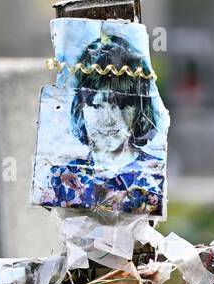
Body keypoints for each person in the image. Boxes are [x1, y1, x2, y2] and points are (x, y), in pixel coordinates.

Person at [48, 32, 164, 215]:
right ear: (81, 108)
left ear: (139, 110)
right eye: (96, 105)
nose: (108, 119)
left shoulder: (155, 177)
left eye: (121, 106)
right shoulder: (62, 177)